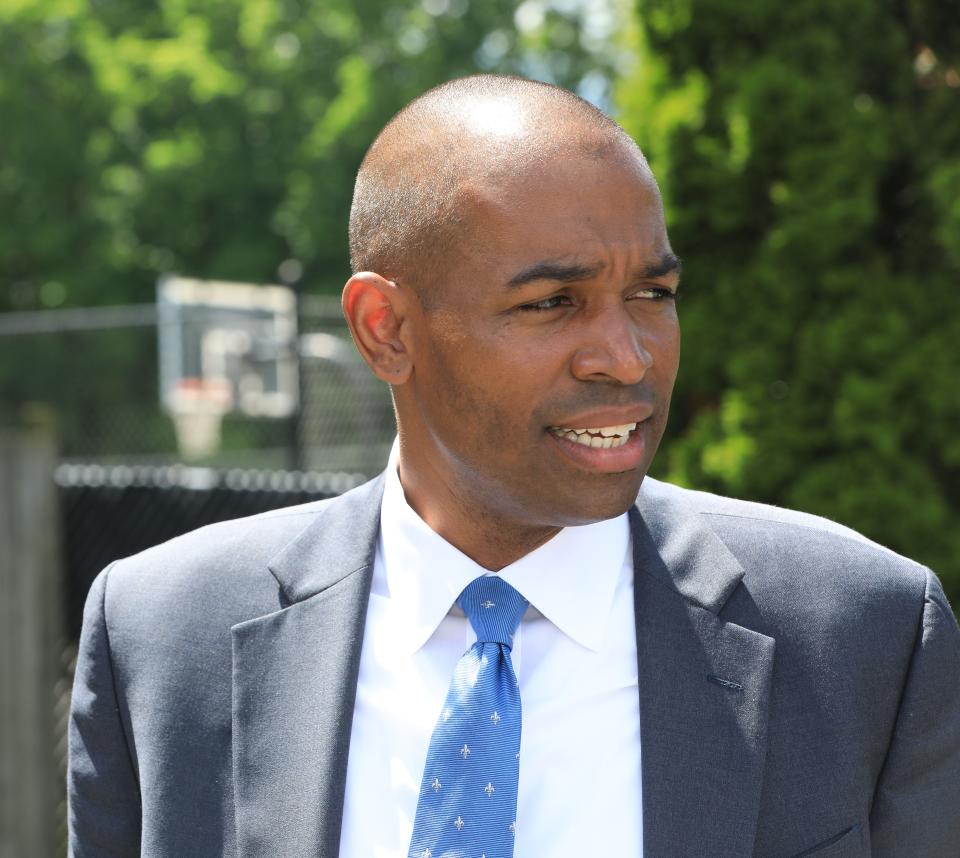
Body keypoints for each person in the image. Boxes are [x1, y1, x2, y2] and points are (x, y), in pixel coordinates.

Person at [68, 75, 960, 858]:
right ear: (386, 329)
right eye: (552, 303)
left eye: (651, 294)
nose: (625, 355)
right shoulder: (161, 636)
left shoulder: (864, 637)